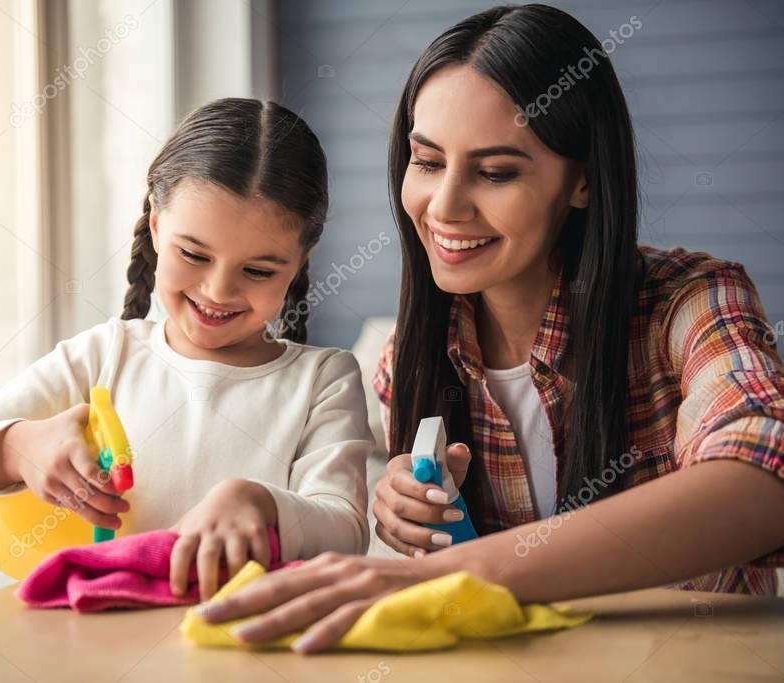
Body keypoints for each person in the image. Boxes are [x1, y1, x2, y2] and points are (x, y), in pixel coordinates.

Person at [195, 4, 784, 654]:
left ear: (582, 180)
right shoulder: (409, 359)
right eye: (425, 161)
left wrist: (444, 574)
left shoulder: (689, 301)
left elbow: (761, 480)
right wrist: (405, 515)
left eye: (495, 171)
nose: (444, 205)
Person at [0, 98, 373, 600]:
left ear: (301, 258)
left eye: (259, 270)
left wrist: (258, 501)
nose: (218, 291)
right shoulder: (103, 356)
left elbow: (346, 530)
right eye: (193, 254)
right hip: (94, 648)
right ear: (156, 227)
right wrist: (17, 446)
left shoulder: (324, 379)